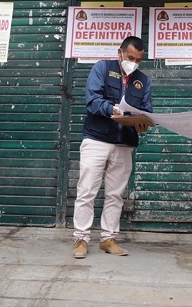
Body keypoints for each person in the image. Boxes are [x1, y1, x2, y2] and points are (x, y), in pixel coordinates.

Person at [71, 36, 152, 259]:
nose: (133, 63)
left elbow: (147, 109)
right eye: (130, 58)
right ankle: (81, 239)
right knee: (86, 191)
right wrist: (112, 109)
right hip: (96, 139)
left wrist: (143, 123)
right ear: (120, 53)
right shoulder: (102, 68)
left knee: (116, 195)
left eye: (138, 60)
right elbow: (92, 100)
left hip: (124, 142)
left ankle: (108, 238)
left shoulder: (143, 80)